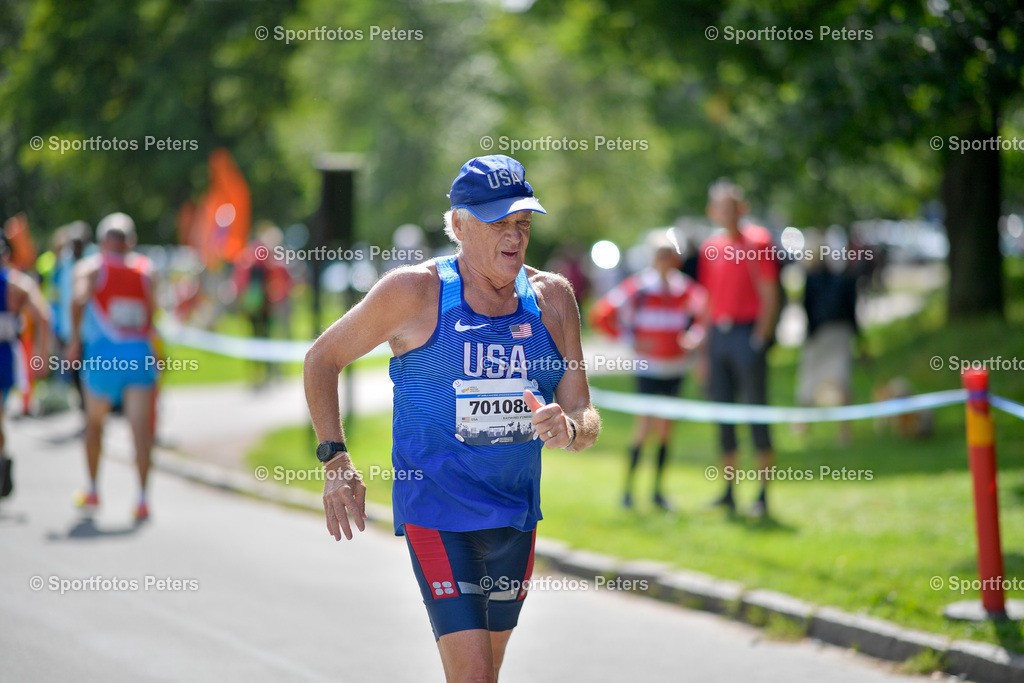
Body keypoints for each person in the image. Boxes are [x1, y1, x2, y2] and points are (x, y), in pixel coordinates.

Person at [304, 155, 600, 683]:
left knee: (487, 671)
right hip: (437, 512)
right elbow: (321, 359)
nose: (514, 237)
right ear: (459, 224)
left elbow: (583, 408)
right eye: (498, 223)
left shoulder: (553, 299)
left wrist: (571, 429)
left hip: (514, 515)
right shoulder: (414, 292)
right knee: (474, 677)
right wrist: (336, 458)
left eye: (522, 223)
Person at [590, 240, 706, 510]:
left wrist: (694, 337)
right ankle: (628, 491)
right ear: (653, 259)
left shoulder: (684, 288)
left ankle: (657, 492)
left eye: (670, 257)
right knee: (644, 428)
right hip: (649, 368)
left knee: (666, 431)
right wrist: (630, 339)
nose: (666, 262)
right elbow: (601, 314)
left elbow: (705, 314)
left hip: (676, 368)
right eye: (661, 256)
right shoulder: (638, 286)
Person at [697, 179, 780, 517]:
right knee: (724, 413)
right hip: (719, 335)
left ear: (741, 208)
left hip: (747, 333)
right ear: (712, 211)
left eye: (733, 206)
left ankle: (763, 493)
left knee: (756, 412)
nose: (728, 213)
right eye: (721, 207)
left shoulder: (758, 241)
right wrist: (702, 346)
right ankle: (729, 490)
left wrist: (761, 337)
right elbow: (708, 298)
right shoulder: (710, 248)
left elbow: (770, 292)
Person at [67, 213, 157, 523]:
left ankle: (92, 489)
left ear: (102, 240)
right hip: (139, 354)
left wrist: (74, 341)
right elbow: (153, 316)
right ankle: (142, 499)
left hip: (104, 357)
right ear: (130, 241)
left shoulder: (91, 267)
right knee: (140, 429)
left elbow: (78, 301)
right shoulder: (146, 269)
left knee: (94, 425)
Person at [797, 238, 861, 446]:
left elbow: (807, 308)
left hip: (820, 333)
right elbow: (852, 310)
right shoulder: (845, 278)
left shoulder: (811, 279)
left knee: (810, 379)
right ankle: (843, 431)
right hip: (840, 332)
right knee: (841, 380)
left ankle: (803, 426)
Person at [0, 235, 52, 463]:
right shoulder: (18, 284)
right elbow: (44, 316)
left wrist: (41, 354)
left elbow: (43, 316)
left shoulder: (15, 284)